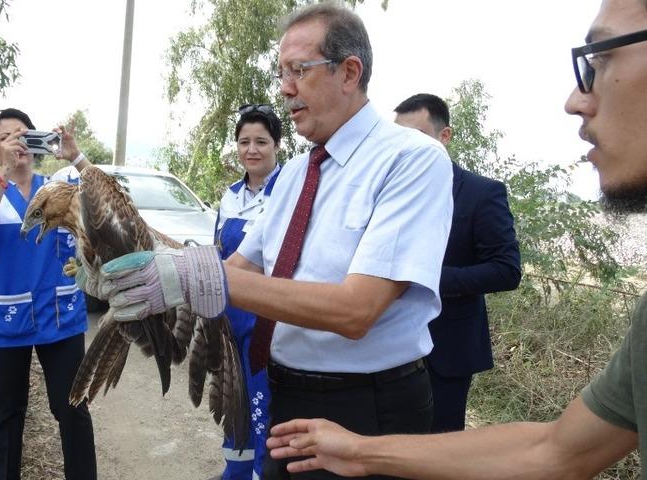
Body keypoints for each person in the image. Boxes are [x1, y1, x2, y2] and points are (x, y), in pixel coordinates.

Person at [266, 0, 647, 477]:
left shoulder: (463, 185)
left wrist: (419, 277)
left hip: (427, 360)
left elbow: (505, 269)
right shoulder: (301, 173)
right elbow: (556, 453)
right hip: (317, 390)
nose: (575, 99)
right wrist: (359, 452)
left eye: (600, 58)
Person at [89, 4, 454, 479]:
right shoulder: (298, 173)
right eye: (282, 72)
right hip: (286, 393)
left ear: (349, 72)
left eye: (298, 71)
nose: (284, 89)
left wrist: (198, 274)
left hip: (368, 410)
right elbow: (243, 267)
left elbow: (356, 310)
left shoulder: (411, 160)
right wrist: (150, 271)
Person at [0, 108, 97, 479]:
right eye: (6, 137)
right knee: (6, 413)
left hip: (60, 316)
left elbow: (104, 197)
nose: (17, 141)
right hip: (5, 322)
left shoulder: (61, 184)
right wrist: (3, 175)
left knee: (72, 408)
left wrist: (76, 155)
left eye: (23, 133)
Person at [393, 93, 522, 433]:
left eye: (415, 137)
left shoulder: (481, 193)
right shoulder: (389, 192)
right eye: (397, 138)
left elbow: (507, 269)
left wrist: (429, 280)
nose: (404, 147)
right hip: (388, 344)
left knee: (438, 450)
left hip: (447, 350)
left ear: (444, 137)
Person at [213, 103, 284, 480]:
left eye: (261, 141)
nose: (252, 149)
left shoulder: (288, 191)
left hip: (268, 318)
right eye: (244, 141)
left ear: (277, 145)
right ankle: (237, 470)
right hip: (230, 317)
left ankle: (263, 472)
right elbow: (220, 253)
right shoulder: (231, 194)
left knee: (263, 400)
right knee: (234, 398)